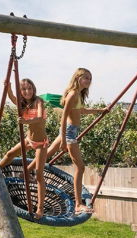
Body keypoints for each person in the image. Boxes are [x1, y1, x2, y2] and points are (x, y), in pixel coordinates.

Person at [27, 68, 107, 214]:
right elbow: (63, 117)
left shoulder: (79, 95)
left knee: (47, 153)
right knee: (80, 167)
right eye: (86, 78)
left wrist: (99, 111)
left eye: (90, 78)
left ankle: (25, 173)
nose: (88, 81)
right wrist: (64, 139)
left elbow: (81, 111)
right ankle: (77, 205)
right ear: (77, 78)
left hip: (71, 131)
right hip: (69, 132)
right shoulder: (73, 94)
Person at [0, 78, 48, 219]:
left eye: (30, 88)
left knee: (39, 174)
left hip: (41, 143)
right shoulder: (22, 103)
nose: (27, 91)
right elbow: (12, 97)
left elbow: (39, 118)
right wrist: (8, 87)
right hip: (28, 140)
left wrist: (27, 121)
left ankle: (40, 208)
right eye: (24, 89)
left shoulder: (38, 101)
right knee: (9, 154)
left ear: (34, 89)